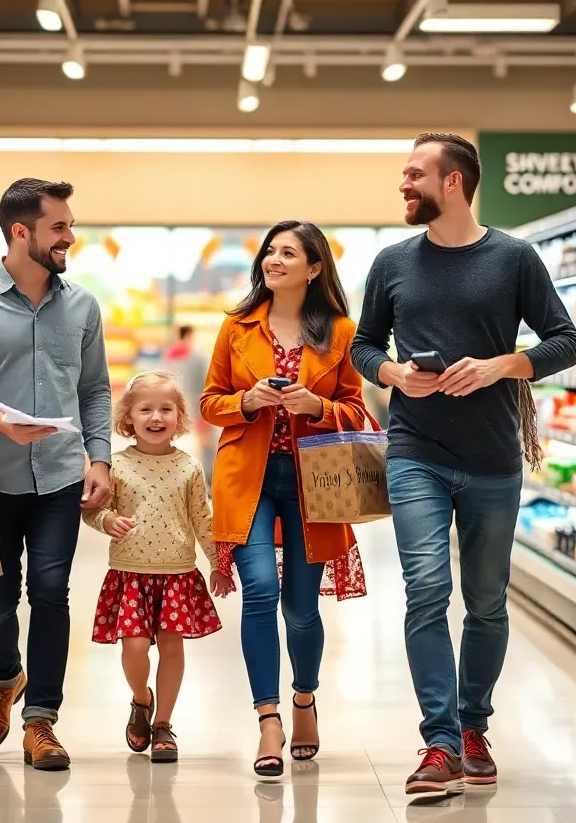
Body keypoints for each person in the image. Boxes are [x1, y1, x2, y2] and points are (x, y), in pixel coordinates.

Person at [350, 134, 576, 797]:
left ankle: (475, 724)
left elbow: (565, 340)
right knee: (425, 591)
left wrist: (502, 365)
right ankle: (441, 743)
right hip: (416, 451)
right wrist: (394, 373)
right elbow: (366, 347)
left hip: (491, 457)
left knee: (485, 602)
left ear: (453, 182)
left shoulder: (512, 258)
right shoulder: (393, 262)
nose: (404, 182)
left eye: (415, 173)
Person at [0, 177, 113, 772]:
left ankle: (41, 721)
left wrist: (101, 457)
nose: (69, 236)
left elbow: (93, 390)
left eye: (68, 224)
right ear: (21, 231)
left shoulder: (83, 306)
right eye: (58, 226)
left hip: (60, 476)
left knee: (51, 593)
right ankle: (5, 677)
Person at [201, 221, 368, 779]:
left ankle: (303, 700)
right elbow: (208, 402)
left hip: (314, 482)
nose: (274, 260)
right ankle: (267, 717)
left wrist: (315, 407)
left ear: (314, 268)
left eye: (288, 253)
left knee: (300, 608)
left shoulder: (340, 332)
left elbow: (356, 411)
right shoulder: (236, 327)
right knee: (259, 591)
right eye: (270, 252)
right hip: (246, 478)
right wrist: (245, 400)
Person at [83, 370, 233, 763]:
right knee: (133, 647)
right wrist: (106, 521)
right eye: (145, 408)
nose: (156, 417)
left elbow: (203, 518)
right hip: (130, 572)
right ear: (127, 417)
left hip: (177, 574)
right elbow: (94, 510)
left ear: (179, 416)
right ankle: (141, 699)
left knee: (172, 647)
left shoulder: (189, 467)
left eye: (166, 409)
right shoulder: (114, 465)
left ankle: (163, 723)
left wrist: (218, 563)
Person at [163, 324, 215, 484]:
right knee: (205, 445)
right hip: (197, 407)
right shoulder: (197, 358)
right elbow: (206, 382)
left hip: (174, 409)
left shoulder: (168, 358)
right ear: (188, 336)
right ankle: (207, 480)